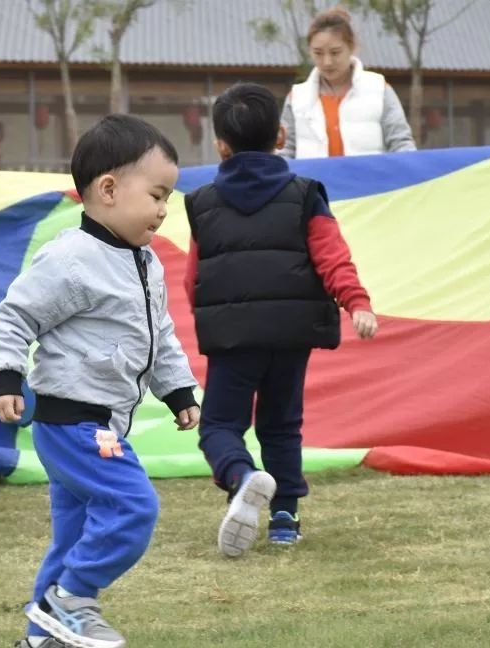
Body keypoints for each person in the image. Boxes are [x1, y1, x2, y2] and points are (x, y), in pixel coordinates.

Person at [0, 114, 200, 648]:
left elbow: (160, 333)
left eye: (167, 196)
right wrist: (7, 377)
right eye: (156, 194)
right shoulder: (71, 258)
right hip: (73, 423)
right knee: (134, 506)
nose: (163, 209)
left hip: (102, 423)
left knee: (74, 538)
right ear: (108, 189)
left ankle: (41, 635)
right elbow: (15, 318)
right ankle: (72, 598)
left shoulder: (145, 262)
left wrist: (177, 390)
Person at [185, 83, 378, 557]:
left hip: (232, 335)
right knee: (281, 424)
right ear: (281, 136)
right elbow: (332, 256)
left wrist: (208, 318)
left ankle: (243, 476)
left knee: (219, 427)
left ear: (220, 147)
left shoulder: (202, 202)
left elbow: (194, 278)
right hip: (291, 334)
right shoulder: (305, 194)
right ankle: (285, 516)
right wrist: (357, 303)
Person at [279, 7, 415, 158]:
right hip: (311, 182)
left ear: (351, 47)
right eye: (318, 53)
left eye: (335, 52)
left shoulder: (378, 89)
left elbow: (402, 144)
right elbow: (285, 152)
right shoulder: (297, 97)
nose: (327, 62)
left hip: (369, 181)